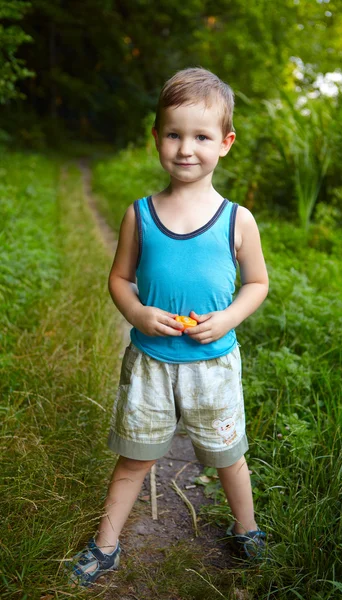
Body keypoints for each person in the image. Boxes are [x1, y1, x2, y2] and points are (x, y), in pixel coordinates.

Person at [67, 67, 269, 587]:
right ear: (156, 137)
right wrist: (136, 313)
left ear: (224, 143)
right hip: (151, 365)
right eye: (174, 134)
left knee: (230, 458)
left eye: (201, 136)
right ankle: (106, 545)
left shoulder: (236, 220)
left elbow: (257, 284)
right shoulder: (141, 215)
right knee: (134, 460)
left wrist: (226, 318)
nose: (186, 148)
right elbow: (119, 277)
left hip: (215, 364)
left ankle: (246, 530)